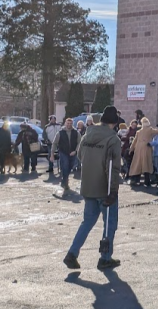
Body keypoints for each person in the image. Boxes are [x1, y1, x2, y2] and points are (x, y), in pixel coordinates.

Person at [63, 106, 122, 271]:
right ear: (114, 123)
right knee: (109, 224)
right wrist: (113, 191)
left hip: (88, 186)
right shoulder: (113, 140)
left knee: (87, 222)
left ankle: (72, 253)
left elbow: (80, 156)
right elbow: (113, 168)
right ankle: (105, 258)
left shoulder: (87, 135)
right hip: (105, 188)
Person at [128, 117, 158, 187]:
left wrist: (131, 149)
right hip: (146, 147)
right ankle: (147, 181)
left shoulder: (138, 132)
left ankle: (135, 179)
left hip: (138, 148)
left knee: (137, 163)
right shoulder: (150, 130)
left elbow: (134, 141)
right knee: (146, 163)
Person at [52, 118, 80, 193]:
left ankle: (64, 180)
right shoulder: (60, 133)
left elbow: (79, 143)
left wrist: (75, 151)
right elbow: (54, 143)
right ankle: (65, 183)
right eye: (68, 123)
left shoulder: (76, 133)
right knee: (65, 166)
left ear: (72, 124)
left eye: (70, 123)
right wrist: (52, 154)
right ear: (65, 123)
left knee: (70, 167)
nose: (69, 125)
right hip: (63, 152)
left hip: (73, 153)